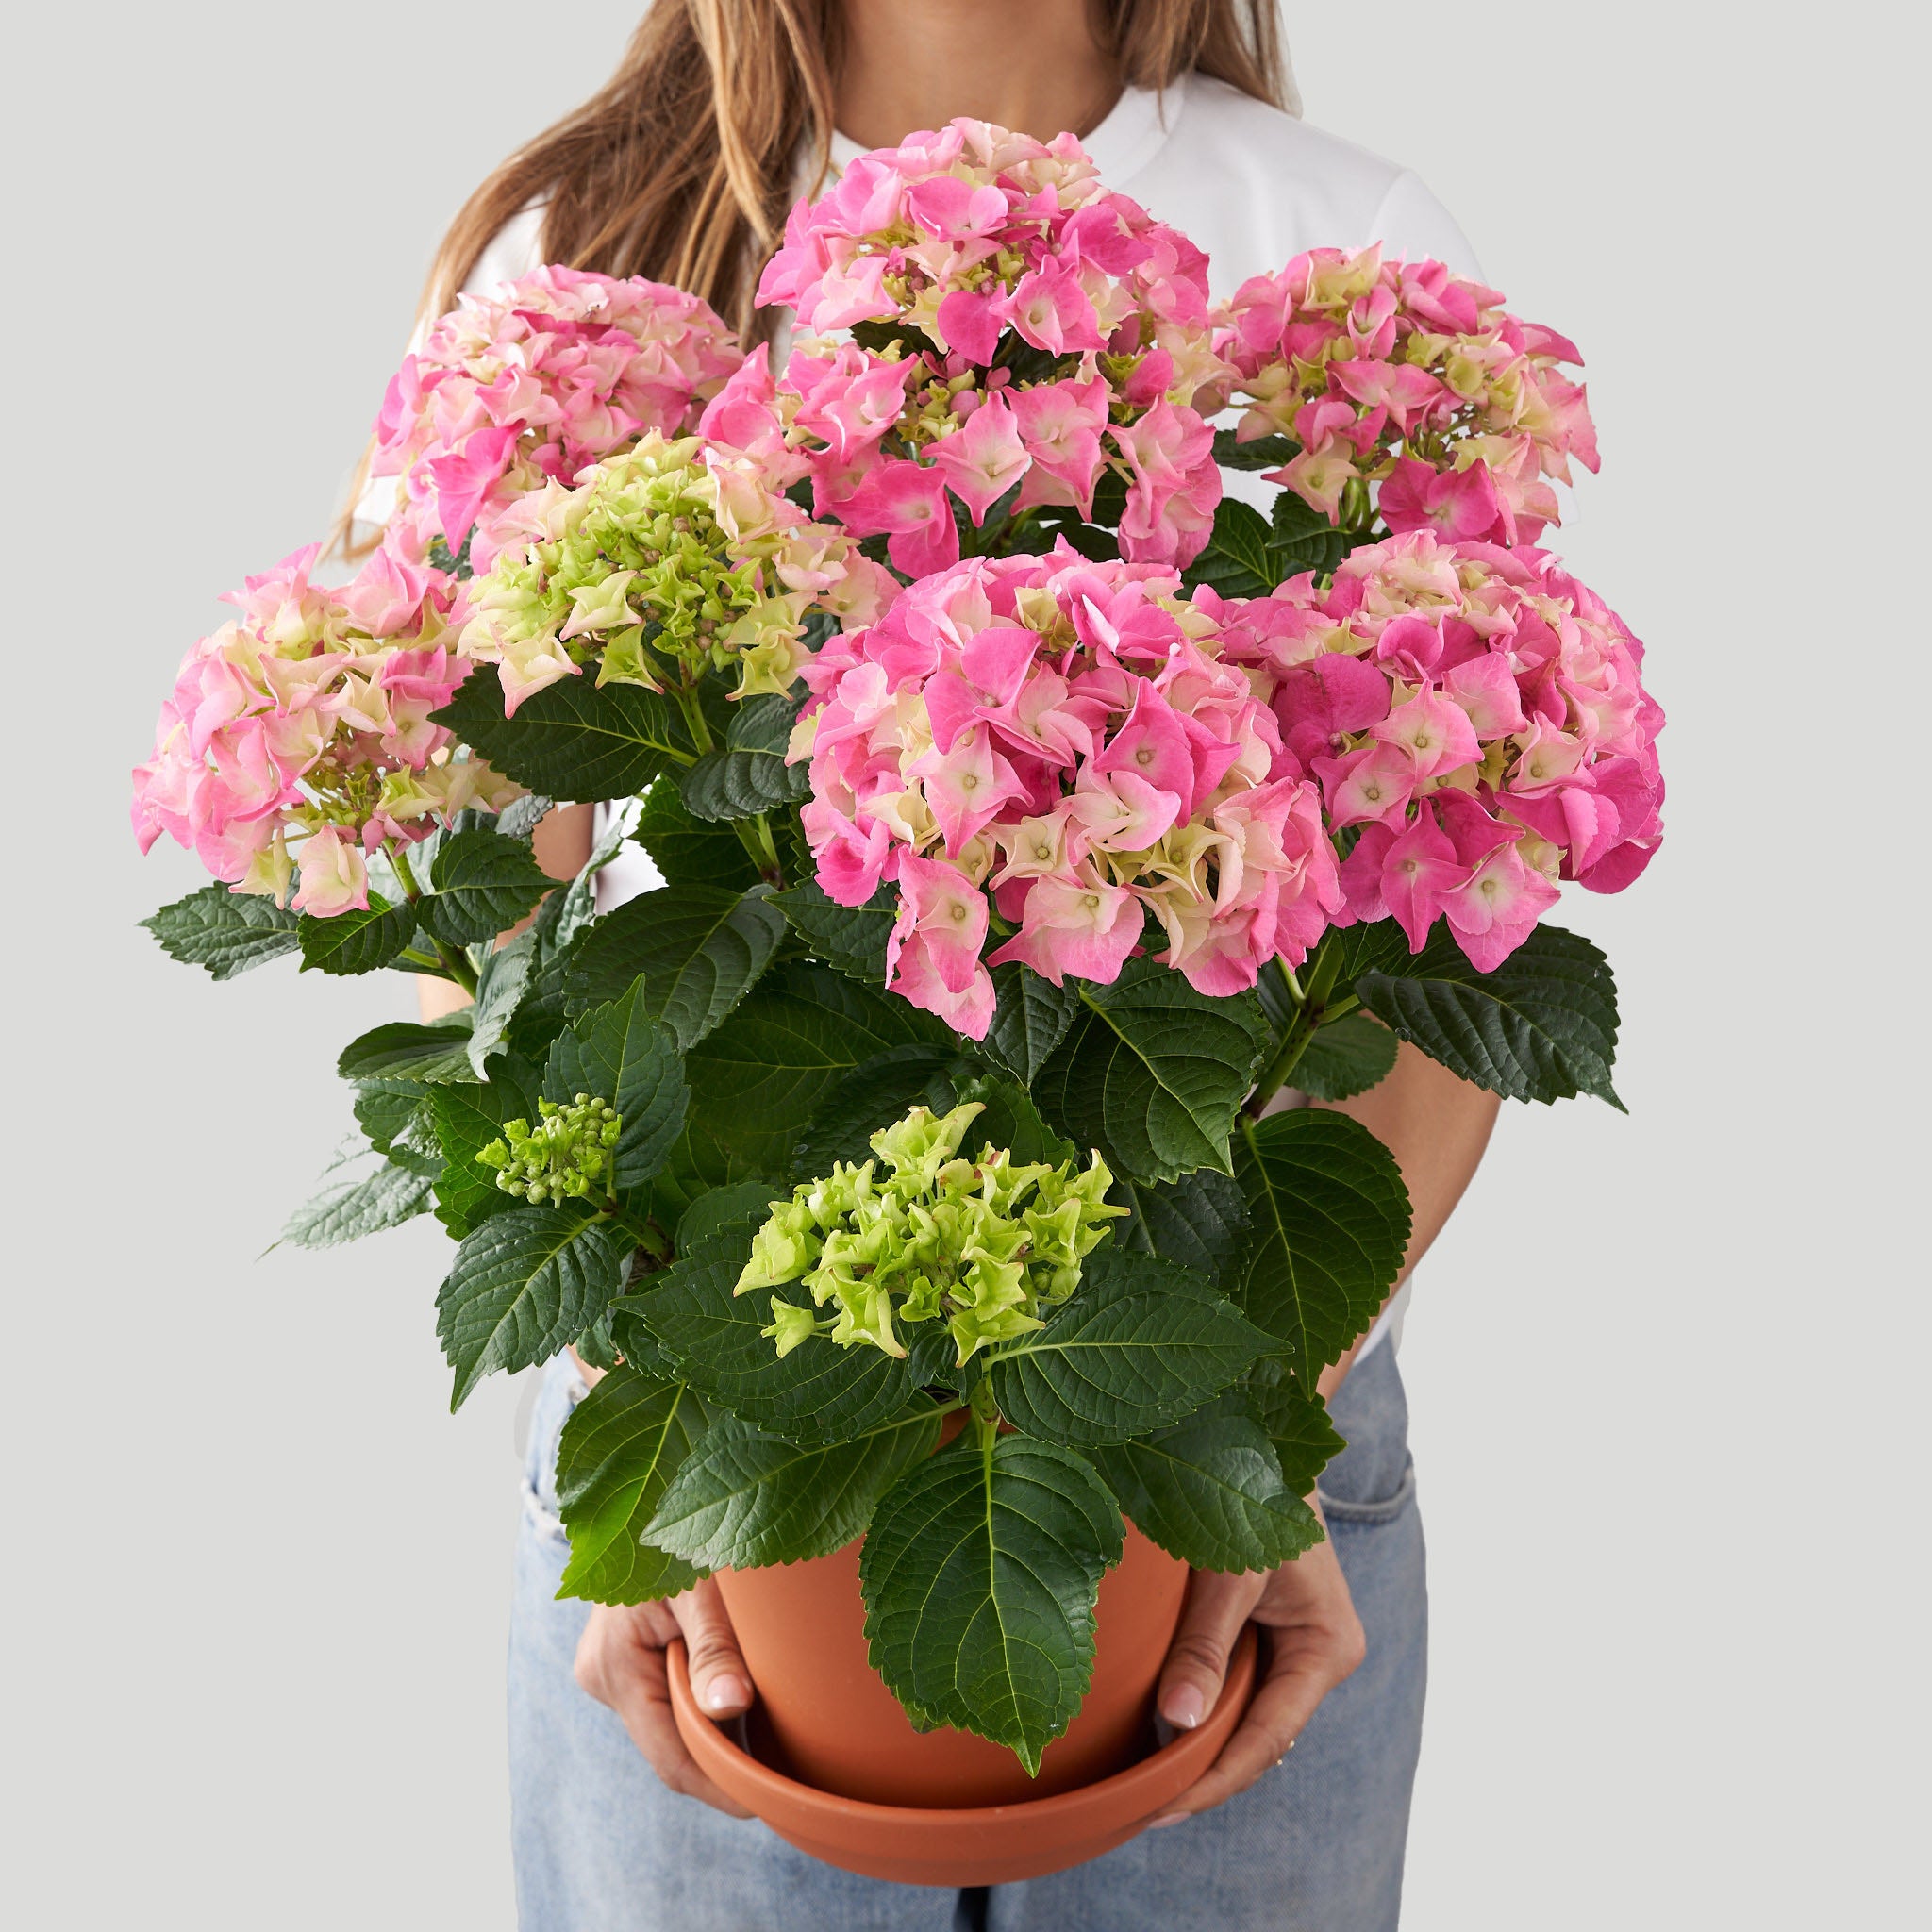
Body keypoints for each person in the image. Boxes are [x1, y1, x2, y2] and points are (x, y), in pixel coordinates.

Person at [377, 5, 1502, 1925]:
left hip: (1228, 1449)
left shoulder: (1319, 246)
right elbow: (482, 914)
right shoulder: (594, 243)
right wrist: (636, 1440)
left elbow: (1456, 909)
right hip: (717, 1453)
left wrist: (1263, 1440)